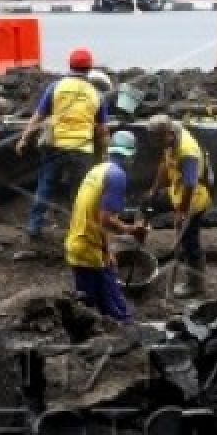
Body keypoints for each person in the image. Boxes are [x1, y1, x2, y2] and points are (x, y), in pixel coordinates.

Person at [16, 48, 109, 241]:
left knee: (46, 185)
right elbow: (102, 130)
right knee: (80, 193)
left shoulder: (55, 87)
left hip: (55, 146)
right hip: (82, 149)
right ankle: (78, 231)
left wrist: (24, 138)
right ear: (89, 68)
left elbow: (38, 117)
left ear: (70, 66)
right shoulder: (96, 94)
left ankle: (35, 225)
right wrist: (104, 155)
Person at [65, 130, 148, 323]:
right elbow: (106, 220)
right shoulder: (117, 176)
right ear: (131, 156)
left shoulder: (97, 170)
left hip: (78, 245)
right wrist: (132, 230)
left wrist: (107, 250)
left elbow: (96, 216)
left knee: (87, 307)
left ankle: (85, 342)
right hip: (89, 251)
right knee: (118, 314)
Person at [146, 114, 212, 298]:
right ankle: (172, 251)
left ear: (168, 134)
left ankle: (196, 285)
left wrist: (182, 212)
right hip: (178, 191)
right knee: (153, 203)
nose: (157, 143)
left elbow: (190, 185)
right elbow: (164, 164)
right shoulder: (171, 135)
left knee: (191, 241)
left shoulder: (187, 152)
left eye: (159, 139)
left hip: (193, 200)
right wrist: (154, 189)